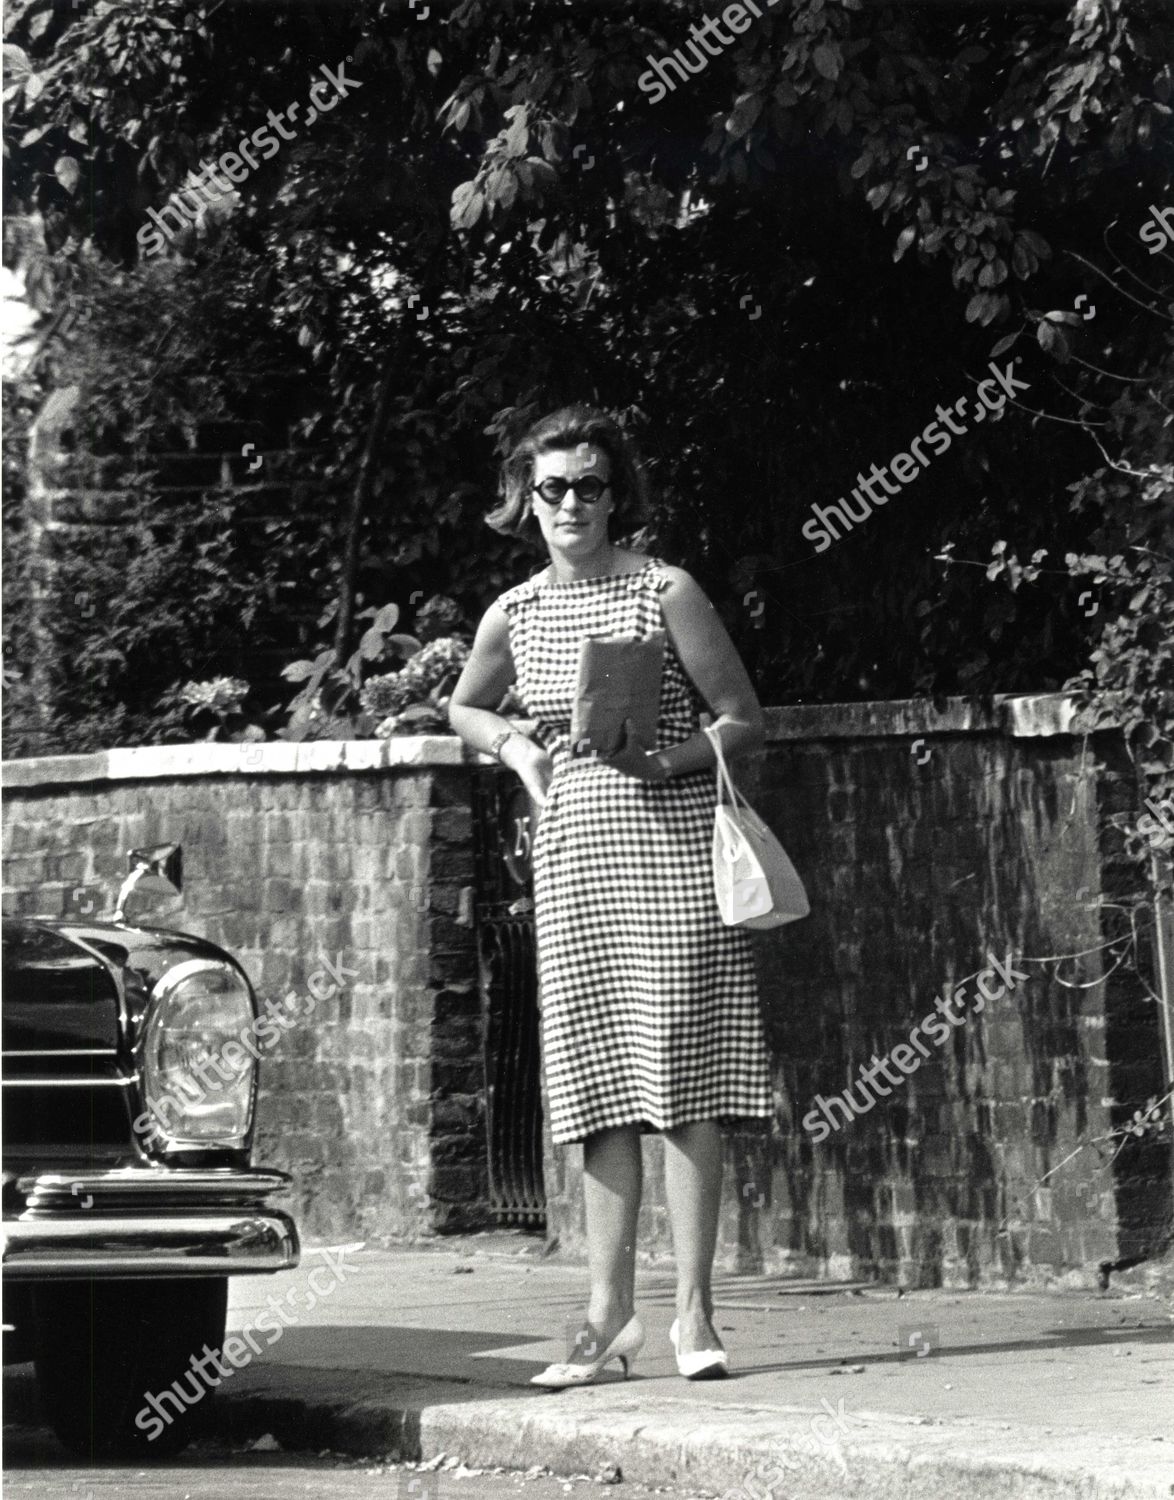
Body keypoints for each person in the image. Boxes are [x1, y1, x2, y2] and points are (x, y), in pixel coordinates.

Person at [448, 404, 773, 1387]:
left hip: (669, 851)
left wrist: (663, 758)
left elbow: (742, 719)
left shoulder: (664, 589)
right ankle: (606, 1323)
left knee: (680, 1083)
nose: (571, 503)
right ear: (525, 496)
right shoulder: (516, 611)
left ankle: (692, 1318)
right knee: (595, 1094)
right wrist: (515, 747)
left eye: (589, 485)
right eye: (551, 487)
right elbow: (465, 702)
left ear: (614, 492)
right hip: (574, 863)